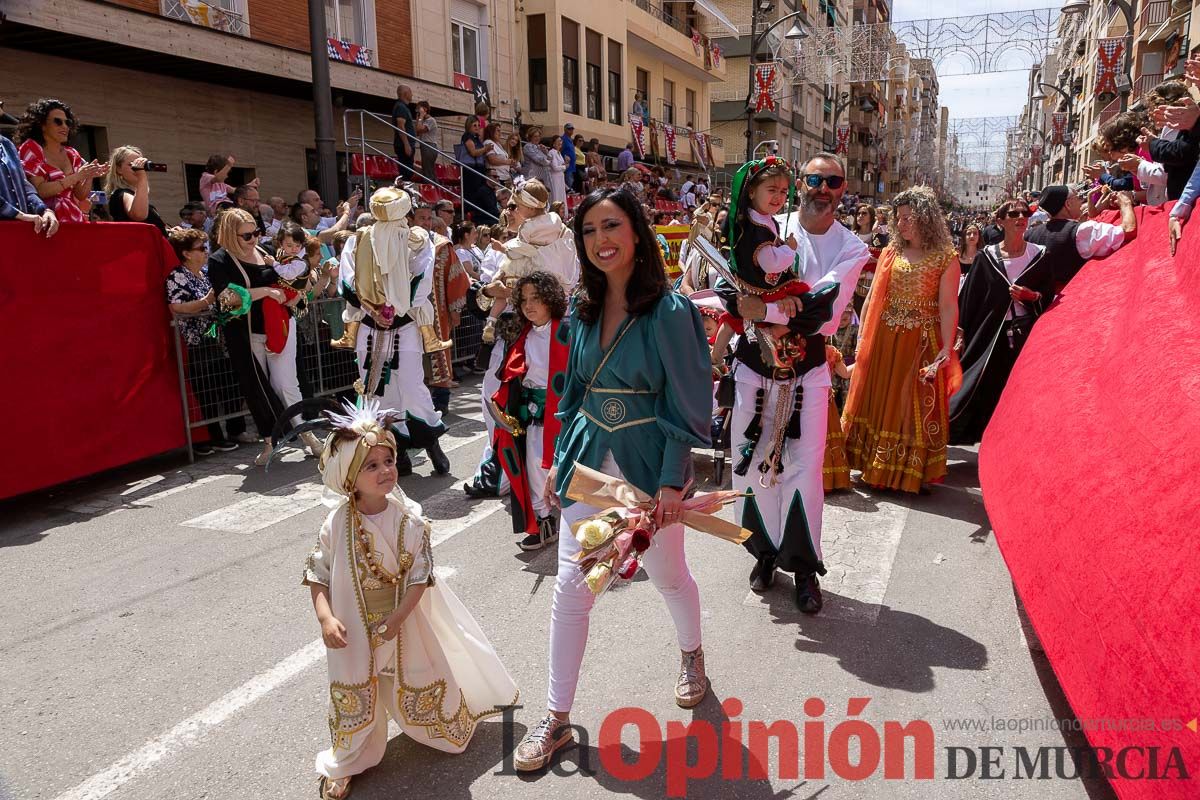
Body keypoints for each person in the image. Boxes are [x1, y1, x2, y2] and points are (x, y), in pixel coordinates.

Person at [512, 188, 712, 772]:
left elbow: (688, 401)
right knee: (572, 590)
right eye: (591, 230)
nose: (602, 240)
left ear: (636, 233)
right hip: (588, 466)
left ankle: (692, 653)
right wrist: (556, 461)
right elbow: (571, 393)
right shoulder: (580, 308)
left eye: (613, 225)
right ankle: (556, 720)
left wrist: (674, 482)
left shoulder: (671, 311)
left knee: (668, 575)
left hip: (649, 468)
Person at [302, 398, 518, 800]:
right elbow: (317, 573)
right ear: (350, 476)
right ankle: (347, 761)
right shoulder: (335, 524)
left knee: (417, 677)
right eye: (372, 465)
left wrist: (399, 617)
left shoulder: (410, 520)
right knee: (355, 690)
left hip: (403, 623)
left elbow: (421, 576)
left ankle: (437, 727)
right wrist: (326, 619)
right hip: (352, 628)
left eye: (389, 461)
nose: (385, 471)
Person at [728, 153, 869, 613]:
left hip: (806, 372)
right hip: (753, 368)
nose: (822, 188)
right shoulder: (769, 220)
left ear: (843, 188)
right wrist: (744, 304)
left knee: (804, 473)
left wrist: (763, 311)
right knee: (751, 467)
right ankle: (764, 553)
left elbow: (824, 307)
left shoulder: (853, 248)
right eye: (813, 179)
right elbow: (728, 279)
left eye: (833, 181)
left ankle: (804, 568)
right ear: (799, 183)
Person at [841, 186, 961, 495]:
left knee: (911, 404)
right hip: (885, 336)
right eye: (899, 218)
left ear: (925, 218)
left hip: (921, 341)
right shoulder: (891, 252)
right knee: (881, 398)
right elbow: (872, 299)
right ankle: (874, 467)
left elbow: (948, 306)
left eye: (909, 217)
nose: (903, 223)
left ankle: (907, 472)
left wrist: (946, 348)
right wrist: (862, 337)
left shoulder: (946, 257)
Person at [336, 187, 451, 475]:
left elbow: (421, 278)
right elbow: (347, 279)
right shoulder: (359, 240)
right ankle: (394, 451)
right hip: (369, 324)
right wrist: (373, 308)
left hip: (404, 324)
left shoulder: (416, 239)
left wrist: (395, 307)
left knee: (412, 386)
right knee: (376, 391)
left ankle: (429, 441)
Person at [206, 209, 322, 465]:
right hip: (247, 334)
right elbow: (227, 298)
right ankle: (270, 441)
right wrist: (266, 291)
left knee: (286, 384)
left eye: (256, 232)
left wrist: (301, 291)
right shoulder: (219, 261)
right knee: (257, 388)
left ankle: (308, 435)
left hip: (281, 327)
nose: (254, 239)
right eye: (247, 235)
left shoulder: (269, 251)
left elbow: (301, 277)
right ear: (229, 234)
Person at [949, 197, 1056, 446]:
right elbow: (970, 298)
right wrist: (960, 333)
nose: (1021, 218)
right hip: (989, 336)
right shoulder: (987, 257)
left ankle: (1013, 444)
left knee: (1018, 391)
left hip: (1025, 336)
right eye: (1013, 214)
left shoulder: (1040, 255)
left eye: (1024, 213)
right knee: (981, 387)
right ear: (1000, 222)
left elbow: (1049, 296)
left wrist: (1032, 297)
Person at [490, 271, 570, 550]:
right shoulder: (521, 335)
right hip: (534, 415)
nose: (529, 305)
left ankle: (581, 524)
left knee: (568, 470)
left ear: (550, 299)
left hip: (565, 417)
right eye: (523, 300)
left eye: (535, 298)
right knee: (535, 467)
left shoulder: (568, 331)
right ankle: (543, 522)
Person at [165, 227, 245, 454]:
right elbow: (176, 307)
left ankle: (234, 428)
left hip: (219, 340)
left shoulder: (207, 272)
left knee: (228, 385)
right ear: (187, 253)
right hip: (197, 342)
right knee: (207, 392)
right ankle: (213, 436)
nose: (206, 252)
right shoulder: (176, 276)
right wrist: (205, 302)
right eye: (201, 248)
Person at [1025, 184, 1133, 291]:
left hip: (1041, 302)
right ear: (1068, 204)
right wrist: (1126, 203)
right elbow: (1128, 230)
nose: (1081, 201)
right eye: (1078, 197)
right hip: (1073, 299)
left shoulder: (1029, 234)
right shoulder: (1080, 231)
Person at [17, 98, 106, 224]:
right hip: (45, 222)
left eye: (67, 122)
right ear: (42, 125)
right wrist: (76, 176)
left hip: (73, 220)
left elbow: (80, 195)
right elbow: (40, 191)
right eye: (58, 122)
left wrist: (89, 175)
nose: (64, 126)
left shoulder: (72, 153)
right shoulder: (31, 148)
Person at [1, 126, 58, 236]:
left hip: (18, 233)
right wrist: (20, 215)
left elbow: (23, 185)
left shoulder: (6, 144)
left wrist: (44, 210)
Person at [105, 146, 167, 236]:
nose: (138, 169)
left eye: (141, 165)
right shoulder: (121, 193)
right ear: (118, 169)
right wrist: (142, 177)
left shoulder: (135, 195)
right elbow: (139, 215)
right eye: (132, 165)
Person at [460, 117, 500, 223]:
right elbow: (473, 152)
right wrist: (486, 149)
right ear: (469, 126)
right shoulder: (467, 136)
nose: (477, 128)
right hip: (470, 168)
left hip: (479, 167)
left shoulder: (477, 138)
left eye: (478, 125)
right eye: (474, 125)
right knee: (473, 191)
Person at [391, 84, 418, 181]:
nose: (412, 95)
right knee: (406, 173)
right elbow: (401, 126)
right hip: (403, 145)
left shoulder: (403, 107)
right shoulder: (401, 107)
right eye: (411, 92)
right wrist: (406, 144)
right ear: (406, 94)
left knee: (408, 171)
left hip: (406, 145)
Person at [414, 100, 440, 184]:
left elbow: (419, 129)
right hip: (425, 146)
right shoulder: (423, 121)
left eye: (419, 109)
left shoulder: (431, 120)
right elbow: (417, 132)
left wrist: (421, 116)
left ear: (424, 109)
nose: (417, 111)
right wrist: (419, 119)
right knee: (428, 169)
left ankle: (431, 187)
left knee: (428, 171)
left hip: (429, 146)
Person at [547, 135, 567, 204]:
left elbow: (562, 168)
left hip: (560, 177)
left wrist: (564, 166)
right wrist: (564, 166)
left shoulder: (559, 153)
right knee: (556, 195)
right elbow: (555, 167)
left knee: (561, 195)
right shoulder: (552, 152)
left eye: (561, 141)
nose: (560, 142)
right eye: (558, 141)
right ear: (554, 143)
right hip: (555, 178)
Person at [561, 122, 576, 193]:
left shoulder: (570, 140)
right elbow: (560, 150)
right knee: (568, 183)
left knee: (571, 182)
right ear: (565, 129)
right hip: (567, 166)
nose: (571, 130)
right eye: (569, 129)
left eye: (572, 129)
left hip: (572, 166)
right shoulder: (563, 139)